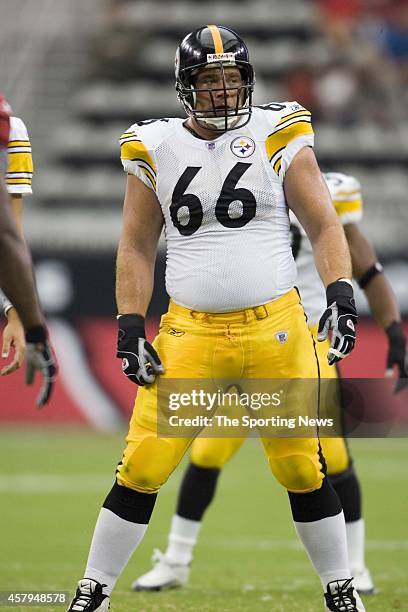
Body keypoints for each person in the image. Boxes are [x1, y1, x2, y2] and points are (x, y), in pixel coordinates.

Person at [67, 26, 365, 612]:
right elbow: (134, 245)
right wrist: (130, 325)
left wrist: (340, 291)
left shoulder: (278, 128)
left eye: (232, 79)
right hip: (191, 334)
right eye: (210, 80)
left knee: (303, 466)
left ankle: (340, 588)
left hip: (276, 329)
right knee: (143, 463)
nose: (225, 92)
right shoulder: (153, 145)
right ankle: (93, 592)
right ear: (186, 86)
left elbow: (327, 223)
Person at [133, 171, 407, 597]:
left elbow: (367, 268)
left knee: (330, 458)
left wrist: (392, 330)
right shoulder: (232, 177)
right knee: (207, 452)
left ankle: (354, 567)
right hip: (243, 338)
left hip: (305, 341)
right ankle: (176, 560)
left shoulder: (330, 189)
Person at [0, 94, 57, 406]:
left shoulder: (11, 128)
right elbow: (6, 238)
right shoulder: (8, 125)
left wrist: (17, 314)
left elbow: (7, 237)